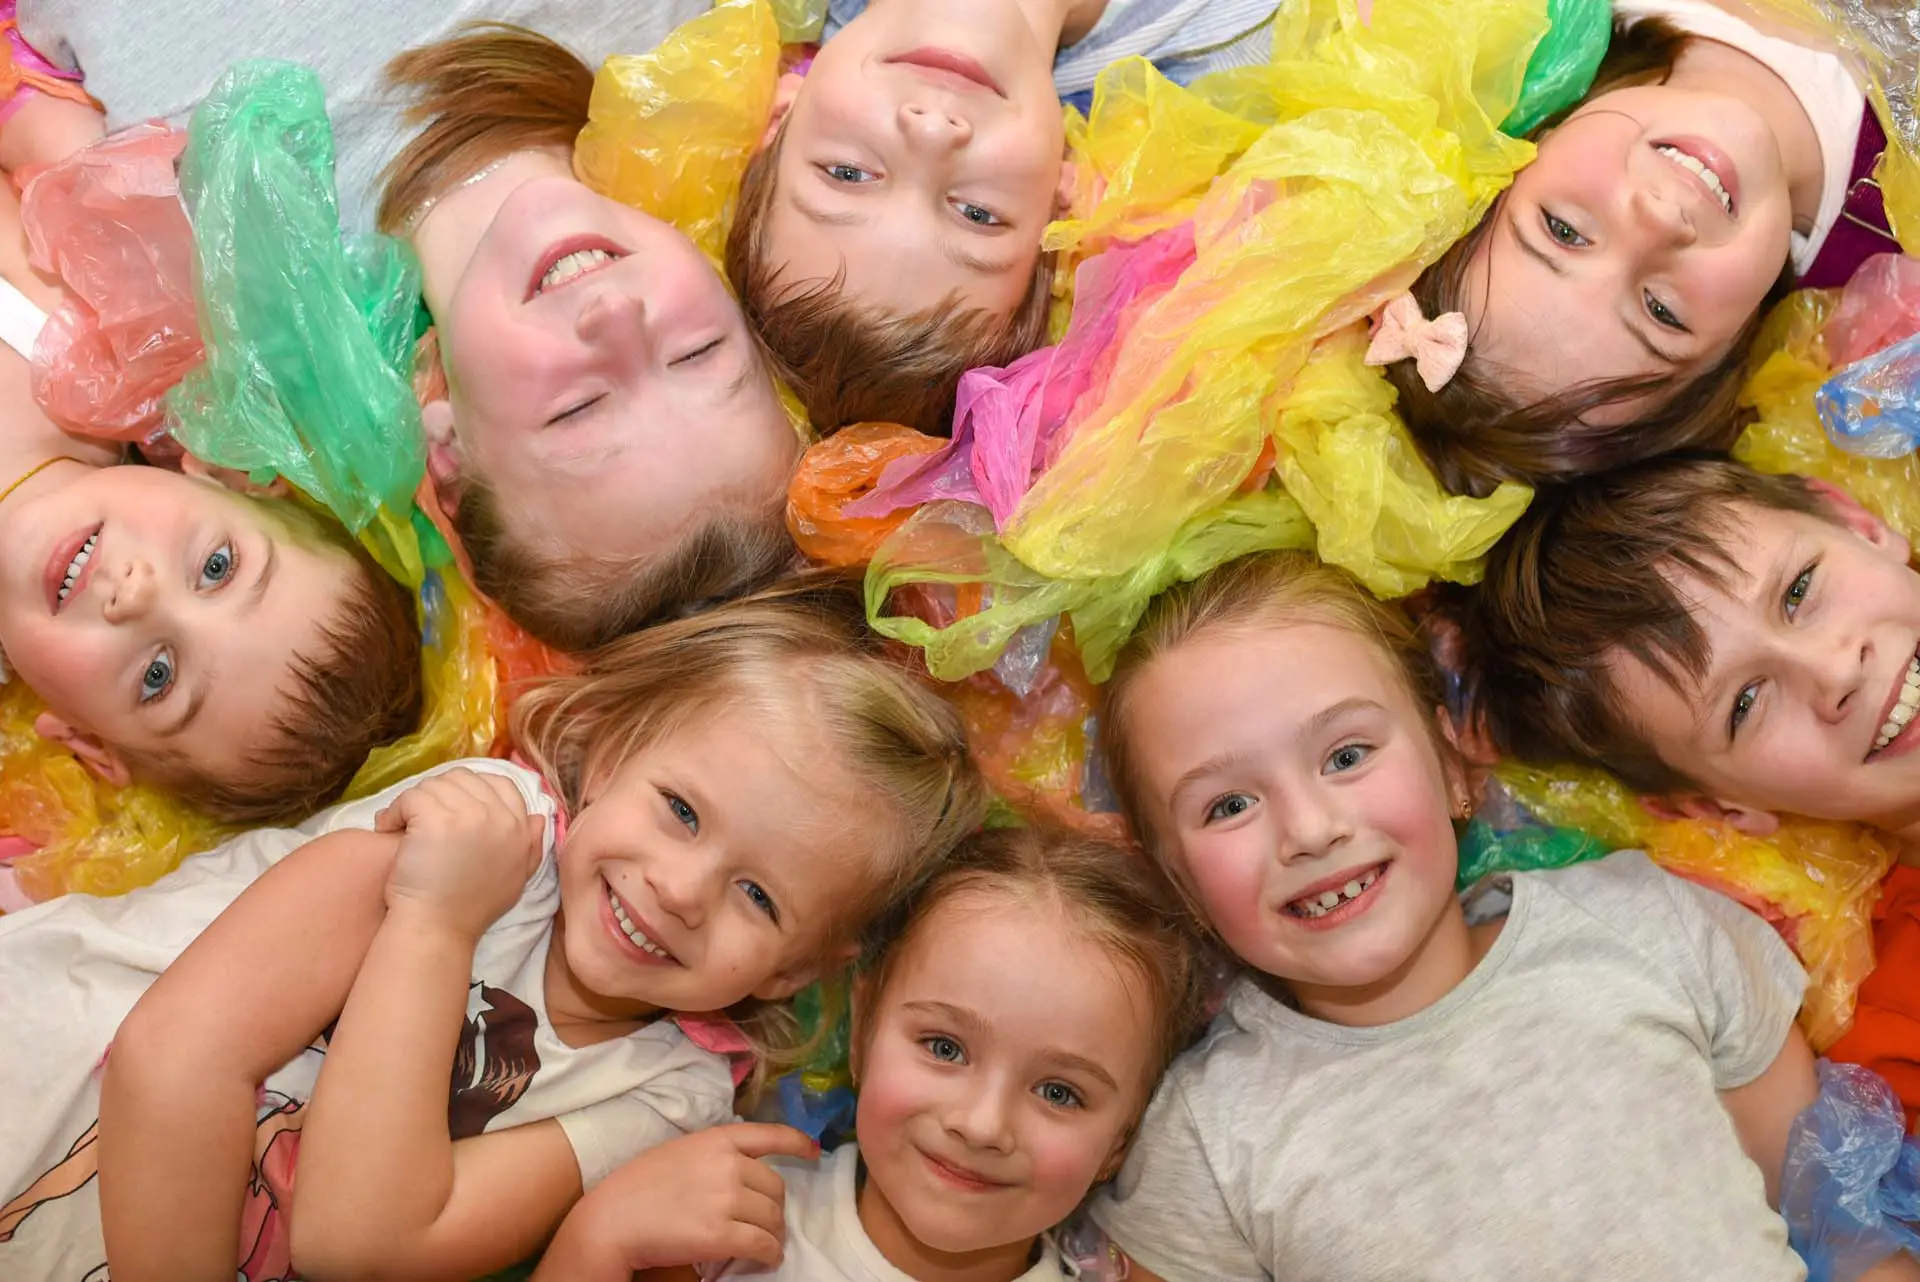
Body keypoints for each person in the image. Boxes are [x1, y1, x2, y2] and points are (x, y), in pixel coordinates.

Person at [0, 575, 989, 1282]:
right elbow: (172, 1060)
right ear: (607, 752)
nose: (682, 889)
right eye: (681, 810)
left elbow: (362, 1240)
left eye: (759, 898)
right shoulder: (488, 832)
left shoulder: (668, 1098)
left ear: (798, 969)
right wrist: (440, 907)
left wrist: (430, 927)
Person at [1086, 548, 1915, 1278]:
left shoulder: (1651, 928)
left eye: (1346, 755)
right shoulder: (1205, 1140)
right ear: (1176, 881)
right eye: (1228, 805)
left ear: (1454, 766)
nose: (1309, 830)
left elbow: (1841, 1230)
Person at [7, 8, 802, 649]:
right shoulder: (681, 45)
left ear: (450, 452)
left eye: (579, 409)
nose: (616, 319)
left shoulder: (214, 248)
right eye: (699, 354)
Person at [535, 825, 1206, 1282]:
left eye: (1060, 1092)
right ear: (861, 1033)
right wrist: (601, 1237)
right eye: (944, 1047)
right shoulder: (727, 1211)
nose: (980, 1125)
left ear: (1120, 1142)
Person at [0, 175, 419, 825]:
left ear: (87, 745)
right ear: (224, 477)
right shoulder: (71, 324)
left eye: (158, 677)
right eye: (216, 568)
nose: (138, 596)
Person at [1378, 3, 1893, 497]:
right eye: (1662, 311)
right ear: (1736, 347)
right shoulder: (1889, 253)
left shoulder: (1558, 16)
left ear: (1521, 147)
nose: (1661, 220)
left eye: (1564, 230)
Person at [725, 0, 1281, 438]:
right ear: (1064, 201)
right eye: (976, 213)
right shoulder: (1223, 51)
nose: (932, 131)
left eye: (847, 174)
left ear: (778, 116)